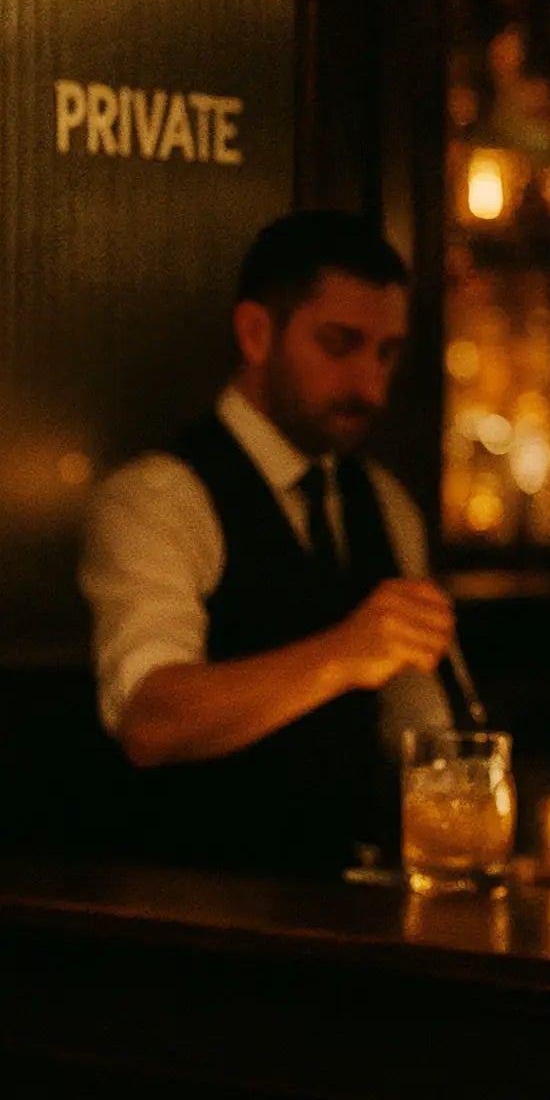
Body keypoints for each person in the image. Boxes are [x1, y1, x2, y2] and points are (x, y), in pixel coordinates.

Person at [78, 209, 458, 875]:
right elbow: (148, 720)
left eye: (387, 353)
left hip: (358, 904)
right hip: (205, 909)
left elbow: (422, 728)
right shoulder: (159, 498)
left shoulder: (386, 504)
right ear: (256, 333)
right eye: (339, 345)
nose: (370, 387)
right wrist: (343, 653)